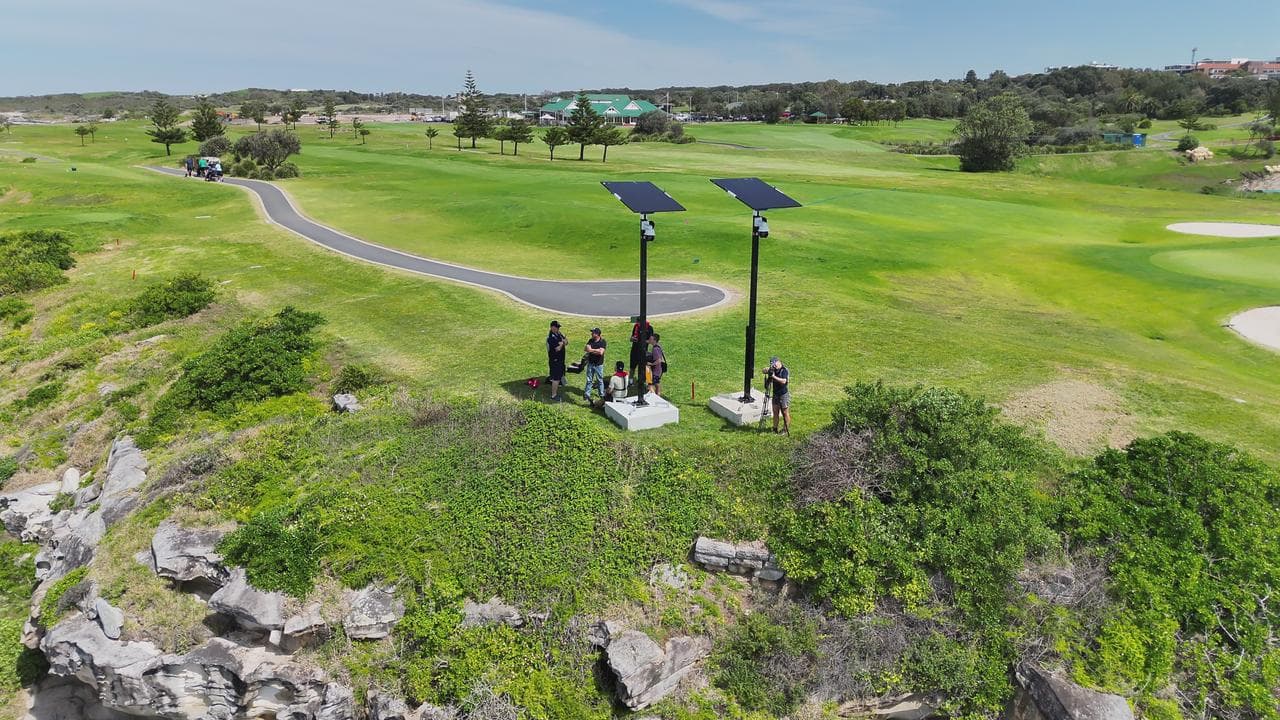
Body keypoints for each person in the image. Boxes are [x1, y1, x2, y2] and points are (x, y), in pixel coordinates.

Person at [765, 356, 791, 434]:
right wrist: (767, 371)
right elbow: (763, 370)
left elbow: (784, 381)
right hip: (775, 394)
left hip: (783, 395)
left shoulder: (784, 370)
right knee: (775, 412)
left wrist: (773, 377)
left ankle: (785, 430)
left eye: (775, 364)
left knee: (785, 412)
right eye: (772, 365)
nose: (774, 366)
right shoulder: (773, 370)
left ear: (779, 362)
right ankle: (775, 428)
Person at [584, 327, 607, 404]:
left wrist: (591, 350)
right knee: (589, 380)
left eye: (593, 333)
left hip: (598, 365)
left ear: (597, 334)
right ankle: (587, 394)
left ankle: (601, 395)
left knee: (600, 380)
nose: (591, 334)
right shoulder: (591, 340)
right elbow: (586, 349)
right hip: (591, 363)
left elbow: (601, 352)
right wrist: (596, 350)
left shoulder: (603, 342)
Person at [546, 320, 567, 401]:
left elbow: (566, 342)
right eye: (556, 327)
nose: (558, 329)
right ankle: (553, 395)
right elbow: (557, 349)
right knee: (556, 377)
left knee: (560, 374)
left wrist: (565, 341)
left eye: (558, 327)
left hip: (561, 359)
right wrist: (562, 343)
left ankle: (557, 382)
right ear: (552, 327)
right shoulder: (551, 338)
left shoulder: (558, 334)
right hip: (555, 360)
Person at [646, 333, 665, 397]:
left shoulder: (655, 349)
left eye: (651, 339)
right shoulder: (658, 346)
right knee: (657, 384)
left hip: (655, 371)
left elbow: (659, 360)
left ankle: (655, 397)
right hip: (659, 370)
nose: (649, 340)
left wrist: (651, 364)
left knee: (650, 386)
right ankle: (658, 395)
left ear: (654, 340)